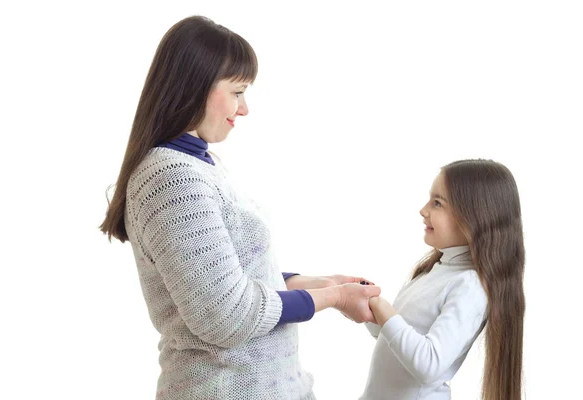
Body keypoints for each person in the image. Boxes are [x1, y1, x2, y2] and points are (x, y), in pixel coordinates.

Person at [99, 16, 380, 400]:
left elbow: (227, 276)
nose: (244, 108)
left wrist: (318, 282)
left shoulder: (200, 166)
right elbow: (227, 315)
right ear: (195, 87)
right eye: (237, 91)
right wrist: (334, 299)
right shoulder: (173, 179)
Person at [359, 159, 525, 400]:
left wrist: (384, 310)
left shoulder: (470, 286)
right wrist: (368, 309)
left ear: (475, 217)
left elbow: (428, 364)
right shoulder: (434, 270)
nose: (423, 210)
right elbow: (398, 341)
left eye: (437, 203)